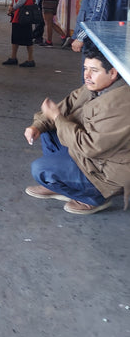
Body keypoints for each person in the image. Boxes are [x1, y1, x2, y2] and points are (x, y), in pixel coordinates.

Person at [23, 44, 130, 215]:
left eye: (94, 70)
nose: (86, 75)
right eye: (85, 68)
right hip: (88, 157)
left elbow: (90, 147)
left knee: (41, 170)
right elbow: (64, 106)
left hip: (105, 171)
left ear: (113, 73)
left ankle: (95, 199)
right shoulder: (95, 87)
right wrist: (37, 125)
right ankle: (63, 185)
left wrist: (57, 117)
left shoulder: (121, 105)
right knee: (48, 130)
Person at [2, 0, 36, 68]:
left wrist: (12, 9)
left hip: (24, 17)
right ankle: (13, 57)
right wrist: (11, 7)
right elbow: (15, 0)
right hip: (18, 16)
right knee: (15, 38)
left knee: (28, 39)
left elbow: (20, 2)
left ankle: (30, 59)